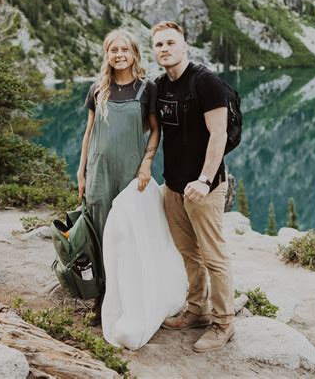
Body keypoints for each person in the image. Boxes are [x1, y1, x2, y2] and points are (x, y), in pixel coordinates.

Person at [152, 20, 235, 353]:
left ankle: (224, 322)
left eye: (171, 43)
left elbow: (219, 134)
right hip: (173, 186)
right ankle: (198, 311)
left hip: (205, 186)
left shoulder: (206, 83)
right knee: (188, 253)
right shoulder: (160, 85)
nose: (165, 49)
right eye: (159, 45)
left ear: (184, 46)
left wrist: (203, 180)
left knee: (213, 256)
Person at [77, 29, 160, 321]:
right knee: (99, 233)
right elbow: (88, 133)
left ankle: (129, 298)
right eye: (113, 50)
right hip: (98, 170)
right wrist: (81, 172)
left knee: (126, 233)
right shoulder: (98, 89)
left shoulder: (146, 88)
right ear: (107, 55)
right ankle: (101, 299)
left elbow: (155, 131)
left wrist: (146, 164)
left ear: (134, 53)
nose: (119, 55)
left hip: (130, 171)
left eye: (124, 49)